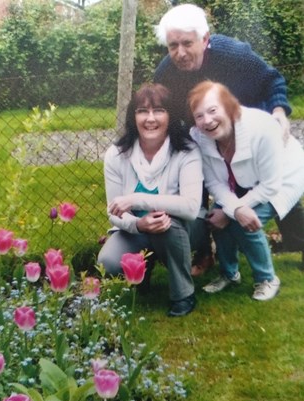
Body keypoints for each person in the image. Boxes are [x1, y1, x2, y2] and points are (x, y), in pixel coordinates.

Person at [154, 3, 295, 277]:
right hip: (205, 134)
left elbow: (272, 80)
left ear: (205, 39)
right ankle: (206, 253)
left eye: (186, 43)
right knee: (201, 185)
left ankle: (297, 244)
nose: (180, 53)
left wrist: (279, 112)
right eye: (172, 46)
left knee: (276, 185)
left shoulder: (233, 54)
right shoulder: (165, 73)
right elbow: (167, 112)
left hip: (252, 128)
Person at [188, 80, 304, 300]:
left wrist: (236, 210)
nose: (207, 121)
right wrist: (232, 208)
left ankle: (267, 279)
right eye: (199, 115)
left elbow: (270, 185)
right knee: (216, 219)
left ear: (230, 107)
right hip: (240, 182)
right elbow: (214, 182)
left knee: (246, 224)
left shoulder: (263, 128)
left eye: (213, 110)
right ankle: (229, 274)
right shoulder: (200, 136)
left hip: (283, 177)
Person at [97, 83, 203, 317]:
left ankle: (183, 294)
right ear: (133, 117)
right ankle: (142, 269)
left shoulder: (187, 151)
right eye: (142, 111)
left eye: (159, 110)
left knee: (167, 224)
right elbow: (114, 210)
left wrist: (138, 199)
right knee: (108, 262)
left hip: (182, 228)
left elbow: (191, 207)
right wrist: (137, 224)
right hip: (137, 229)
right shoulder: (116, 155)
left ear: (170, 115)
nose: (150, 119)